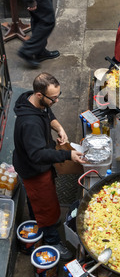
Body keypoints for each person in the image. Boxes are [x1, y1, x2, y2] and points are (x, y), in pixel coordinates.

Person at [13, 73, 85, 259]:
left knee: (37, 200)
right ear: (39, 95)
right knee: (46, 206)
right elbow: (38, 155)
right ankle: (52, 240)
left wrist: (59, 128)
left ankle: (37, 216)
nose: (57, 100)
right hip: (34, 170)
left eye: (58, 95)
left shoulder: (31, 99)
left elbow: (48, 113)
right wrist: (68, 155)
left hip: (35, 163)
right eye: (53, 98)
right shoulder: (29, 123)